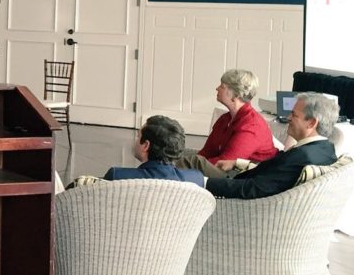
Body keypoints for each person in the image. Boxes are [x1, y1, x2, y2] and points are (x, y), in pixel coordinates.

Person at [206, 93, 339, 200]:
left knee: (191, 172)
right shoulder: (326, 150)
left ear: (311, 123)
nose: (287, 118)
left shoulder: (301, 156)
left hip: (240, 207)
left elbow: (253, 189)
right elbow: (274, 174)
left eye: (294, 114)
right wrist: (238, 163)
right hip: (247, 192)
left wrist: (205, 182)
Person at [178, 69, 278, 178]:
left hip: (246, 177)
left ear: (235, 94)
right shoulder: (224, 119)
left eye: (222, 86)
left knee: (192, 162)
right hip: (227, 172)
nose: (217, 88)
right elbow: (206, 153)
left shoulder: (252, 125)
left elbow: (224, 163)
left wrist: (189, 167)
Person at [103, 115, 204, 185]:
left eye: (138, 136)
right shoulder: (196, 179)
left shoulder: (117, 176)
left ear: (146, 145)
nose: (136, 140)